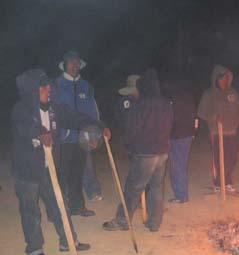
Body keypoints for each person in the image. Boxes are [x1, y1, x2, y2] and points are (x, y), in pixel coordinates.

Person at [11, 69, 111, 255]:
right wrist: (40, 132)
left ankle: (68, 241)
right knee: (30, 209)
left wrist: (98, 125)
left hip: (49, 168)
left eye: (48, 85)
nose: (49, 89)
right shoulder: (21, 109)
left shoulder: (55, 109)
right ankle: (34, 247)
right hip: (27, 171)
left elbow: (77, 118)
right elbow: (24, 126)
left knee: (60, 205)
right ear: (33, 90)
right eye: (44, 86)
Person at [103, 69, 173, 232]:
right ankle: (154, 222)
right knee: (156, 187)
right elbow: (170, 125)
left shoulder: (140, 105)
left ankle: (122, 220)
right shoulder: (165, 103)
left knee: (133, 188)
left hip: (144, 152)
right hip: (162, 152)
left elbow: (132, 130)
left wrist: (130, 146)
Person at [54, 51, 101, 216]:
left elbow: (92, 112)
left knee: (78, 173)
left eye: (77, 63)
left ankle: (77, 206)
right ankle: (60, 209)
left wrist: (94, 135)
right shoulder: (56, 85)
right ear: (64, 65)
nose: (75, 65)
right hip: (63, 138)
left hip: (82, 138)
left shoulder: (86, 86)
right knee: (62, 174)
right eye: (71, 62)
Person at [197, 65, 239, 192]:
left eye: (227, 78)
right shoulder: (209, 94)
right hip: (216, 132)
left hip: (231, 131)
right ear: (216, 79)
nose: (225, 81)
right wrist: (213, 117)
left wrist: (236, 123)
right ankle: (218, 183)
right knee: (218, 159)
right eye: (222, 79)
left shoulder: (232, 93)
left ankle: (227, 180)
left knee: (232, 158)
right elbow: (201, 111)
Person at [163, 79, 197, 203]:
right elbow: (194, 116)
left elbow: (171, 118)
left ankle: (181, 196)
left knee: (177, 166)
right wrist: (193, 131)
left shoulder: (172, 99)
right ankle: (182, 194)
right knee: (181, 164)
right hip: (187, 135)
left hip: (177, 136)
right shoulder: (189, 97)